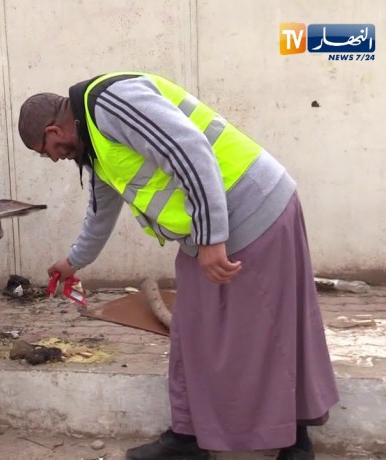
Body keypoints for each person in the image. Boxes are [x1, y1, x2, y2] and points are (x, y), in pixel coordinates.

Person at [17, 71, 339, 460]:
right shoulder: (94, 143)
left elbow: (190, 150)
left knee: (270, 327)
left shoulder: (111, 103)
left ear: (54, 130)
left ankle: (296, 443)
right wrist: (72, 261)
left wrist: (210, 237)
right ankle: (187, 438)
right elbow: (101, 212)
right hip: (215, 226)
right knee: (191, 330)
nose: (52, 158)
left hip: (255, 211)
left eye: (44, 150)